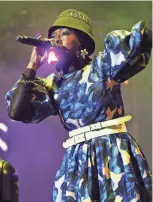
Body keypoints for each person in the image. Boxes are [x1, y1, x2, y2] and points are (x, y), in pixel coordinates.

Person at [5, 9, 152, 202]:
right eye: (53, 36)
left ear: (82, 41)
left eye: (64, 33)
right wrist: (32, 66)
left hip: (111, 152)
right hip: (77, 162)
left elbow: (139, 42)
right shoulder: (52, 85)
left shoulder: (102, 66)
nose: (56, 40)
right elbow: (17, 111)